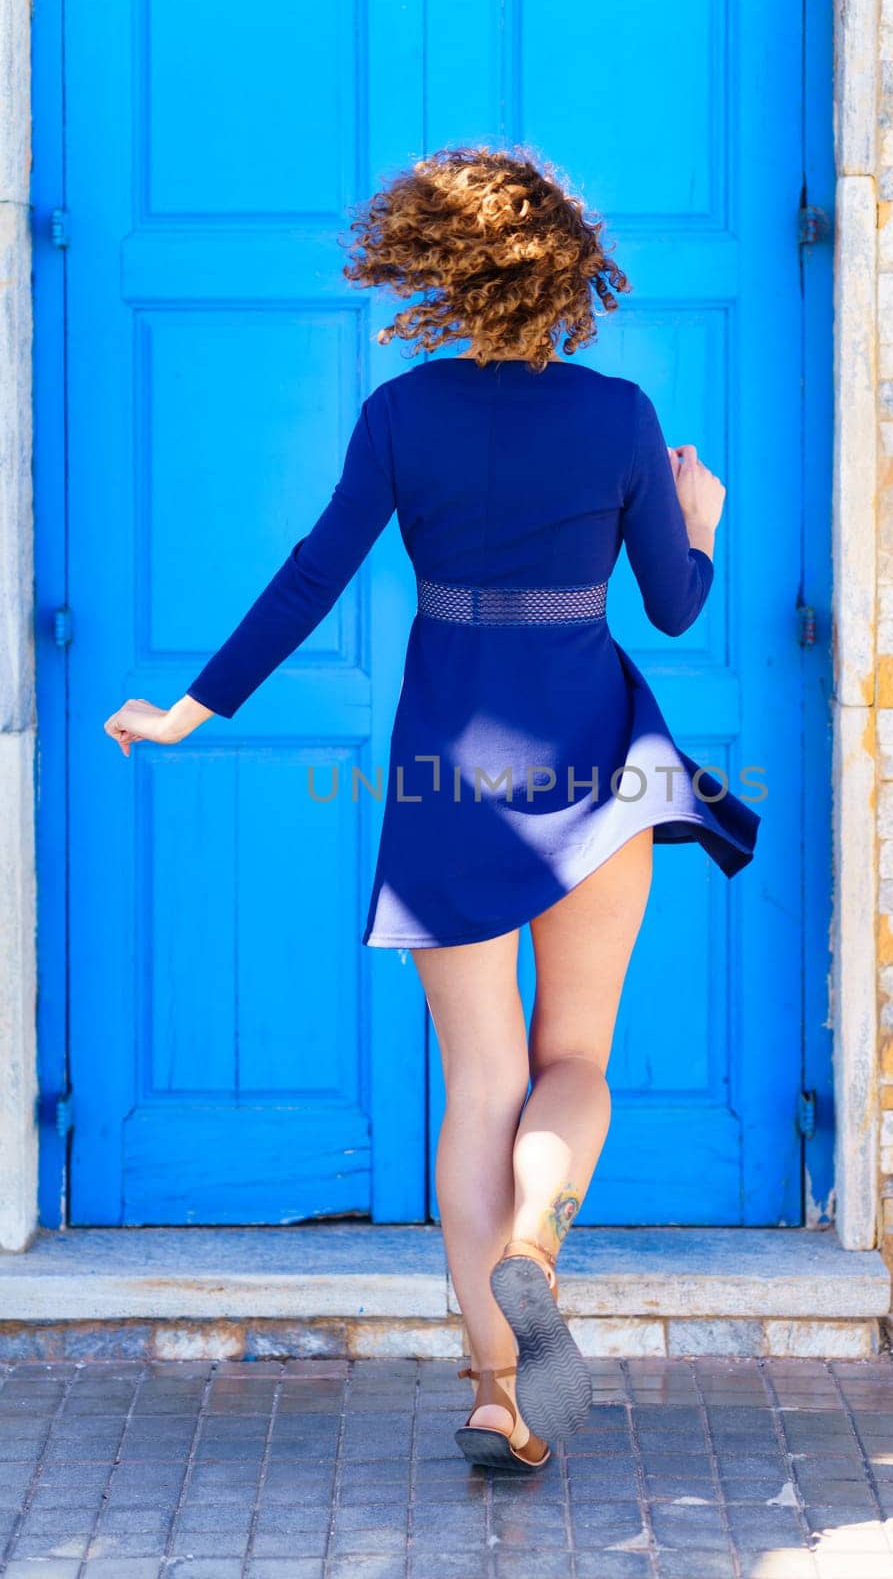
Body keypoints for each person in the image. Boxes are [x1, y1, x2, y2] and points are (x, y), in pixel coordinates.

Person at [103, 143, 761, 1474]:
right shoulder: (624, 416)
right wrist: (702, 517)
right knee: (575, 1063)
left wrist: (193, 709)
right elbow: (676, 607)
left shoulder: (404, 416)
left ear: (439, 274)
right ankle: (537, 1232)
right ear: (572, 271)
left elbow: (308, 581)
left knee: (479, 1082)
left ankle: (497, 1393)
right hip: (600, 766)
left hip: (448, 775)